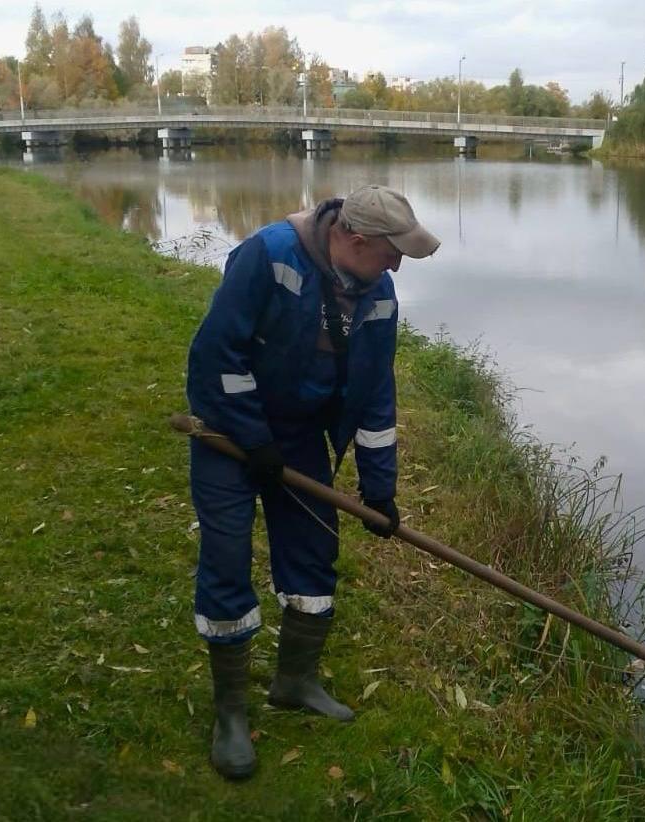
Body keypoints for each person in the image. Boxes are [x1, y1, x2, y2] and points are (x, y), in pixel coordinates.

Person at [184, 184, 439, 780]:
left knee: (314, 554)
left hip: (295, 438)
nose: (397, 264)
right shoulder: (269, 256)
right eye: (390, 251)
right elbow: (217, 355)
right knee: (225, 556)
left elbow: (376, 394)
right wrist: (253, 439)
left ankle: (294, 681)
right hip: (226, 431)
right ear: (352, 239)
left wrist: (381, 491)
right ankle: (230, 714)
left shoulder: (380, 293)